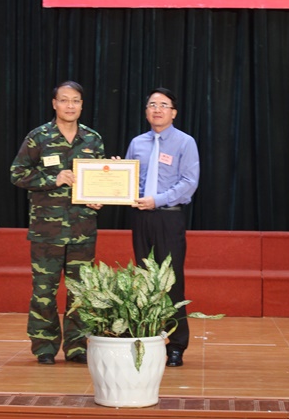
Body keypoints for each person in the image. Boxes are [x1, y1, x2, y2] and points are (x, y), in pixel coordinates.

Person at [10, 81, 104, 365]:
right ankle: (44, 347)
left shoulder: (93, 139)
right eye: (64, 100)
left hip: (82, 230)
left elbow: (101, 179)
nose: (70, 105)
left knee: (81, 292)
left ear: (82, 105)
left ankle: (77, 348)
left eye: (75, 100)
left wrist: (99, 197)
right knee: (44, 292)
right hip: (46, 231)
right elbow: (17, 173)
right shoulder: (39, 137)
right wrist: (54, 179)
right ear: (54, 104)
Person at [125, 87, 200, 367]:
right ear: (146, 111)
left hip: (169, 217)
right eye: (152, 104)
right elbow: (129, 179)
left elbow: (189, 182)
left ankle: (176, 345)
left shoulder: (185, 142)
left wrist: (157, 200)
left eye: (163, 105)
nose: (157, 109)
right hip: (141, 218)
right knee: (144, 280)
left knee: (171, 282)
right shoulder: (137, 143)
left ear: (173, 112)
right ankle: (148, 339)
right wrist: (117, 176)